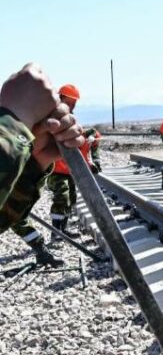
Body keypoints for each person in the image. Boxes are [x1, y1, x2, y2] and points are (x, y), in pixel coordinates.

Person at [0, 64, 84, 265]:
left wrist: (35, 162)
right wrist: (12, 121)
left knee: (65, 198)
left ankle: (52, 236)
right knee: (60, 198)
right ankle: (48, 239)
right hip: (58, 174)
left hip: (55, 170)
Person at [48, 84, 101, 240]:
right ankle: (55, 232)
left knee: (70, 199)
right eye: (69, 102)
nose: (72, 105)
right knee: (62, 197)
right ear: (61, 98)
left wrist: (90, 161)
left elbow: (79, 146)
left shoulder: (71, 119)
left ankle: (62, 230)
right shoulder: (54, 117)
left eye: (74, 103)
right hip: (55, 169)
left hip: (68, 170)